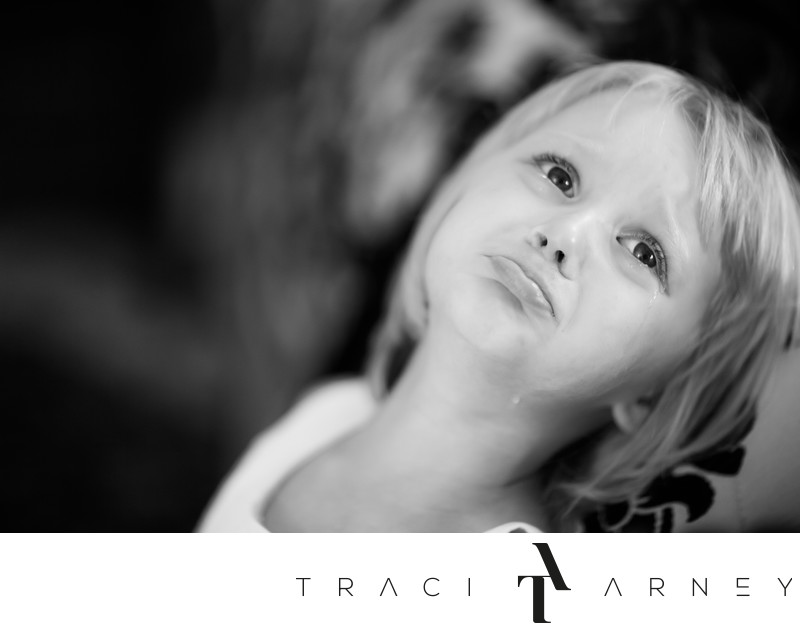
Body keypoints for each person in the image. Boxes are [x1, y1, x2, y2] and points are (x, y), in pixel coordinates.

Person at [198, 61, 800, 533]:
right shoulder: (326, 414)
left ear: (658, 391)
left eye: (645, 252)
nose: (563, 236)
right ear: (464, 184)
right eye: (559, 175)